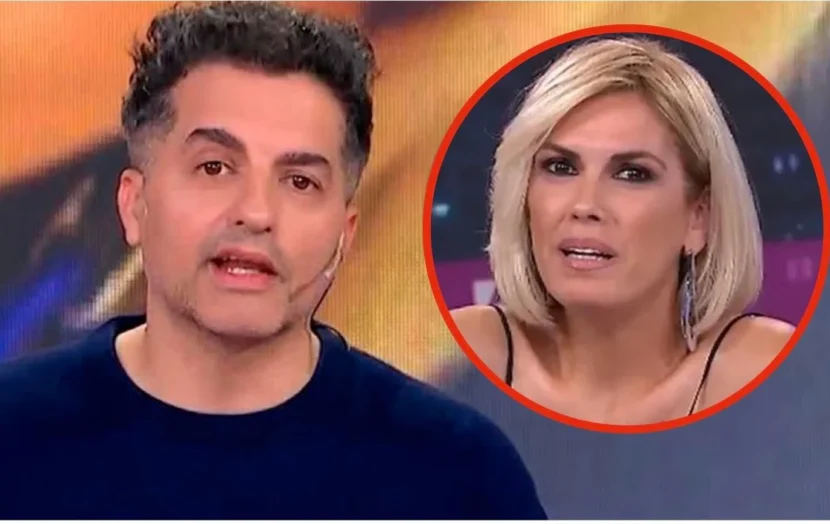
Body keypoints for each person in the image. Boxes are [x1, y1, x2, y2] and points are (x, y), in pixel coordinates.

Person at [0, 2, 546, 519]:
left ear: (343, 231)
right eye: (214, 167)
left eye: (299, 181)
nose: (255, 214)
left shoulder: (455, 471)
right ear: (133, 202)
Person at [452, 36, 796, 426]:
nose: (585, 205)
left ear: (698, 217)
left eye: (632, 174)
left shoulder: (757, 366)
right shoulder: (466, 356)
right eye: (561, 167)